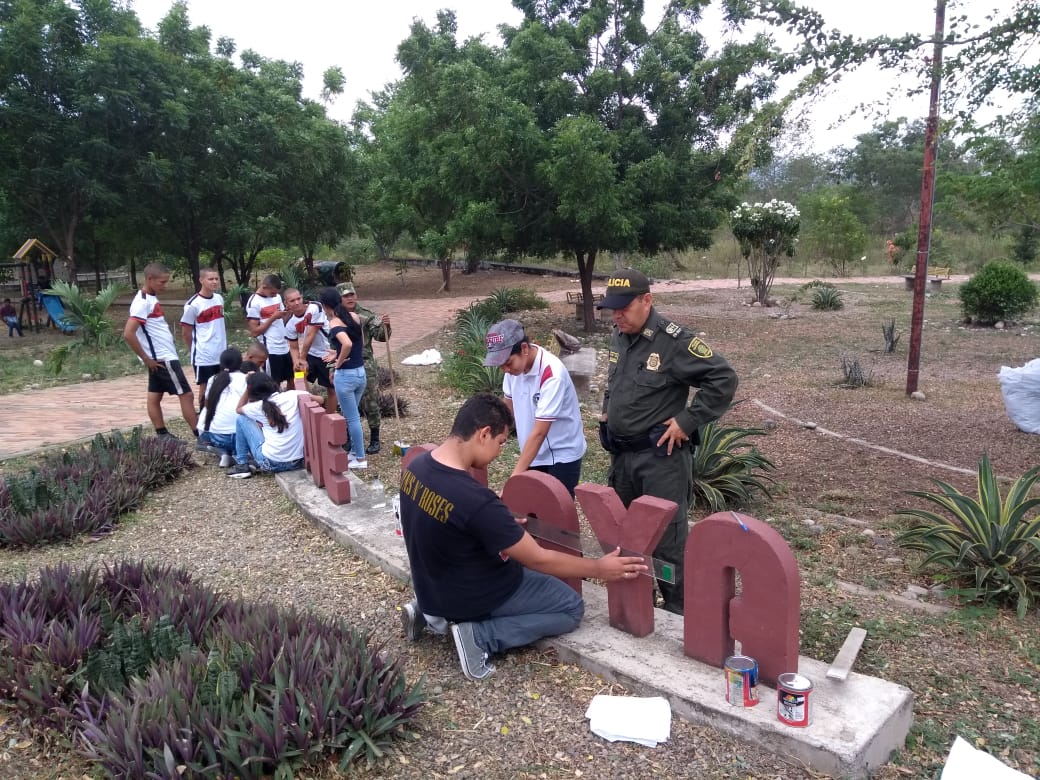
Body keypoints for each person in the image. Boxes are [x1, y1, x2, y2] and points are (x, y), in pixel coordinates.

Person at [398, 393, 648, 681]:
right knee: (570, 607)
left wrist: (495, 523)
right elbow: (539, 559)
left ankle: (429, 614)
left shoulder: (416, 468)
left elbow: (444, 524)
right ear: (483, 434)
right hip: (473, 594)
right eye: (501, 443)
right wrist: (600, 568)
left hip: (431, 588)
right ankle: (479, 637)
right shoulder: (475, 501)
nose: (500, 452)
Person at [595, 268, 737, 616]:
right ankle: (637, 608)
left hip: (661, 461)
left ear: (647, 301)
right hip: (623, 459)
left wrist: (687, 421)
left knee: (668, 544)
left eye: (623, 308)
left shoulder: (674, 342)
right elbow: (616, 383)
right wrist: (608, 413)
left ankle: (679, 615)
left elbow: (723, 377)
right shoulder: (620, 335)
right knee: (627, 537)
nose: (616, 315)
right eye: (612, 309)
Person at [482, 319, 586, 496]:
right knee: (530, 509)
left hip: (561, 455)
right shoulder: (512, 371)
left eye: (508, 363)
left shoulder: (551, 374)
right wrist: (490, 438)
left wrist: (513, 480)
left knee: (557, 514)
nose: (505, 370)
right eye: (500, 366)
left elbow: (539, 433)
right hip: (532, 451)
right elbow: (507, 411)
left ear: (524, 349)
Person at [122, 263, 199, 440]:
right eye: (162, 282)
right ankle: (200, 434)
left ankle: (162, 433)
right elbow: (128, 333)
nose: (165, 286)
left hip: (160, 356)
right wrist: (146, 358)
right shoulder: (141, 303)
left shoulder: (150, 298)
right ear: (149, 279)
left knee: (155, 395)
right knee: (186, 394)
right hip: (162, 358)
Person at [227, 371, 322, 479]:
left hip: (271, 463)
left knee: (242, 419)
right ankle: (252, 463)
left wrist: (248, 388)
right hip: (297, 461)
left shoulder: (257, 407)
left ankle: (242, 464)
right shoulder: (293, 395)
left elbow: (238, 409)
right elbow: (321, 400)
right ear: (273, 384)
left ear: (252, 391)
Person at [338, 282, 391, 454]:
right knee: (344, 403)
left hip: (364, 362)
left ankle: (375, 437)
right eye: (346, 296)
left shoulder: (366, 315)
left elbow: (381, 336)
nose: (350, 298)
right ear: (340, 298)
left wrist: (386, 325)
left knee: (371, 402)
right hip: (344, 363)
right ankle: (346, 437)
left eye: (352, 294)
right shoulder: (336, 315)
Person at [318, 287, 368, 469]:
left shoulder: (334, 322)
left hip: (346, 376)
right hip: (360, 373)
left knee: (351, 418)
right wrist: (337, 351)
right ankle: (354, 452)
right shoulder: (354, 316)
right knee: (352, 415)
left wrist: (338, 362)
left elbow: (346, 343)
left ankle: (361, 459)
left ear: (325, 306)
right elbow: (358, 342)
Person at [180, 267, 227, 412]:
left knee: (221, 385)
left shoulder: (219, 299)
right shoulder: (193, 304)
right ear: (201, 280)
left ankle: (218, 414)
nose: (214, 282)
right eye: (210, 279)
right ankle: (203, 415)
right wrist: (194, 350)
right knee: (205, 386)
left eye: (216, 279)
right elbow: (186, 332)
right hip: (204, 354)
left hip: (221, 352)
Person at [283, 288, 335, 412]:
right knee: (299, 375)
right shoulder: (289, 322)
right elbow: (293, 346)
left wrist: (302, 358)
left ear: (302, 297)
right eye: (292, 301)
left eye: (298, 299)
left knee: (331, 388)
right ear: (286, 303)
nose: (296, 303)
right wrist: (297, 362)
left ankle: (331, 415)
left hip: (328, 352)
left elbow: (311, 335)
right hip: (311, 353)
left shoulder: (315, 308)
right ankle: (309, 408)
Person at [197, 347, 248, 468]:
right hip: (238, 437)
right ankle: (237, 454)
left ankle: (223, 453)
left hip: (214, 436)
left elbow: (207, 404)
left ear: (221, 363)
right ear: (241, 363)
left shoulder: (213, 379)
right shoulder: (246, 379)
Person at [244, 274, 292, 388]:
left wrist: (288, 313)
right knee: (274, 382)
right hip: (270, 347)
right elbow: (254, 332)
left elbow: (281, 320)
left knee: (292, 377)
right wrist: (273, 317)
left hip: (284, 345)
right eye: (272, 293)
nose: (275, 295)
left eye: (276, 293)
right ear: (264, 287)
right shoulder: (254, 303)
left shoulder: (277, 297)